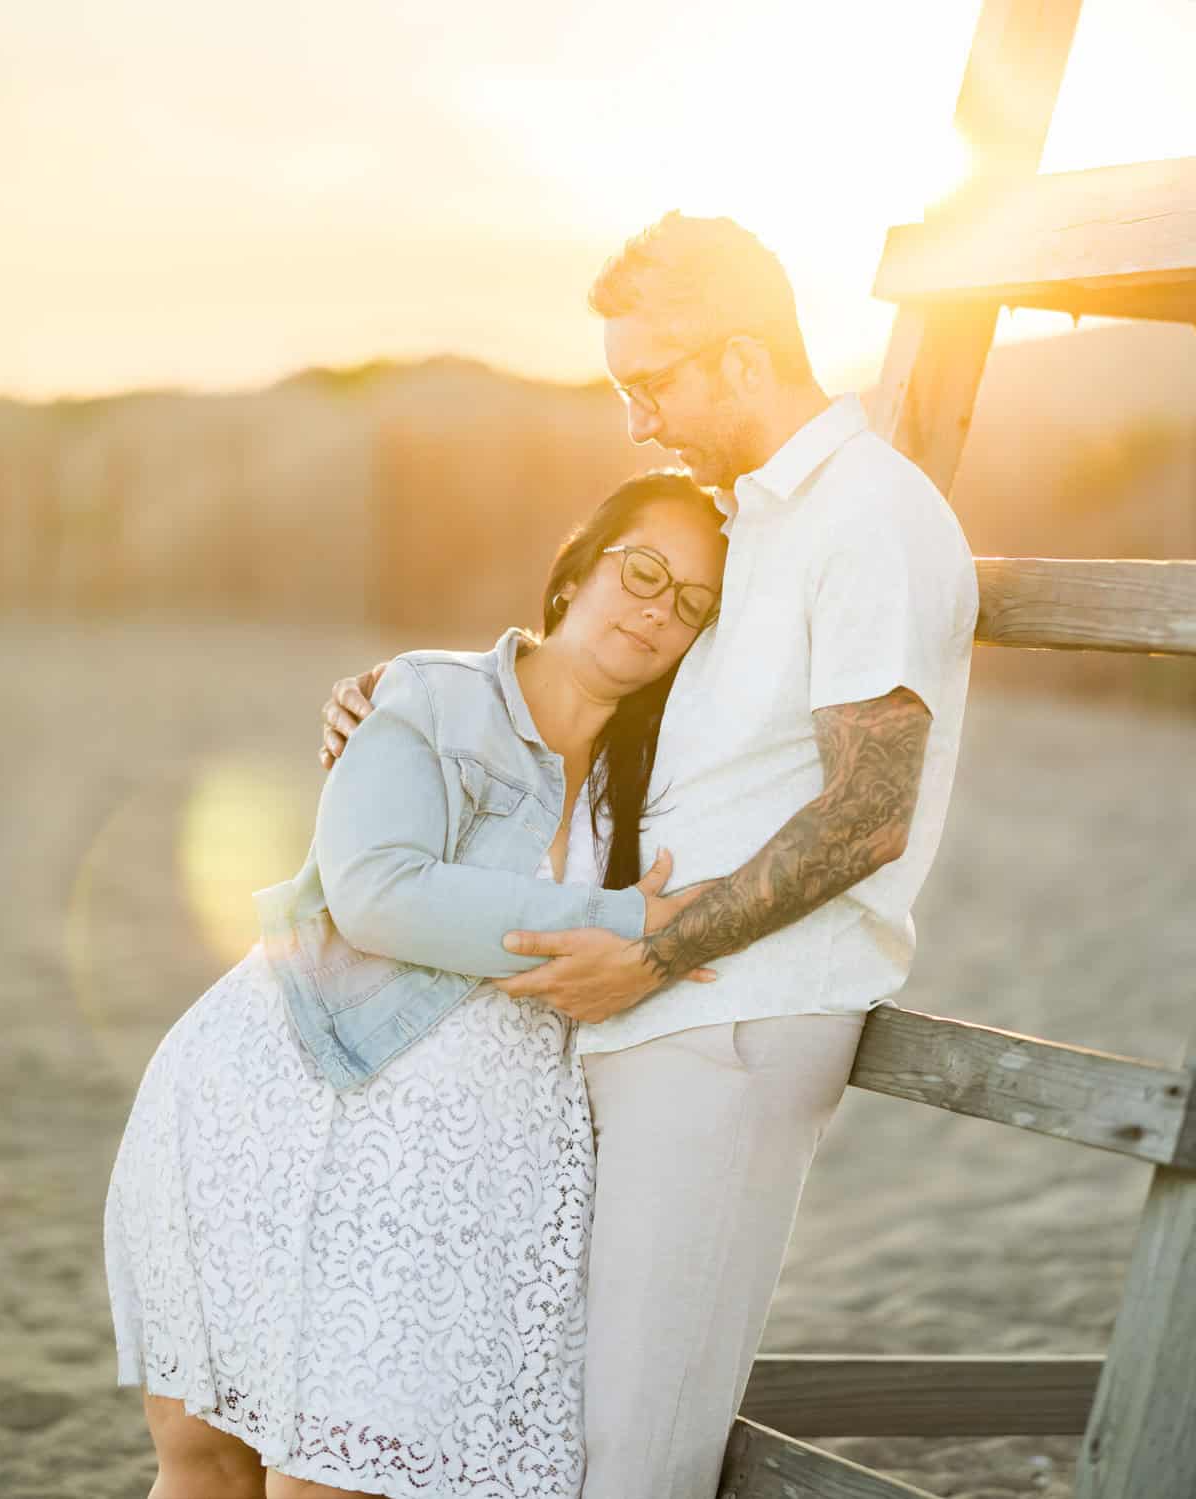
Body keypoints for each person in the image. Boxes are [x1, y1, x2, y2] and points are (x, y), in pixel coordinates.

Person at [321, 212, 980, 1499]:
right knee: (561, 1423)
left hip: (731, 1019)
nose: (637, 419)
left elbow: (869, 809)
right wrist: (409, 695)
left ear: (740, 362)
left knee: (636, 1450)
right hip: (660, 1007)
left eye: (652, 382)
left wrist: (654, 950)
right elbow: (616, 678)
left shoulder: (870, 518)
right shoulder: (759, 522)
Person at [104, 471, 728, 1499]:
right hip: (280, 1105)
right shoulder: (436, 697)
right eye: (644, 570)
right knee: (211, 1458)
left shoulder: (662, 772)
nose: (660, 606)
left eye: (693, 603)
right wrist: (623, 921)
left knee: (338, 1477)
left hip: (458, 1183)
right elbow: (378, 894)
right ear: (575, 574)